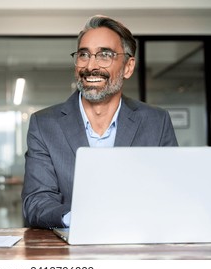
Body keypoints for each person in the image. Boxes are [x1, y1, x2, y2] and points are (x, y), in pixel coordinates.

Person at [21, 15, 178, 229]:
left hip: (137, 246)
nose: (91, 65)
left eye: (104, 55)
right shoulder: (44, 124)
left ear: (128, 67)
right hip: (69, 251)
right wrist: (79, 220)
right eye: (84, 54)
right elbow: (36, 201)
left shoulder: (156, 122)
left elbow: (172, 194)